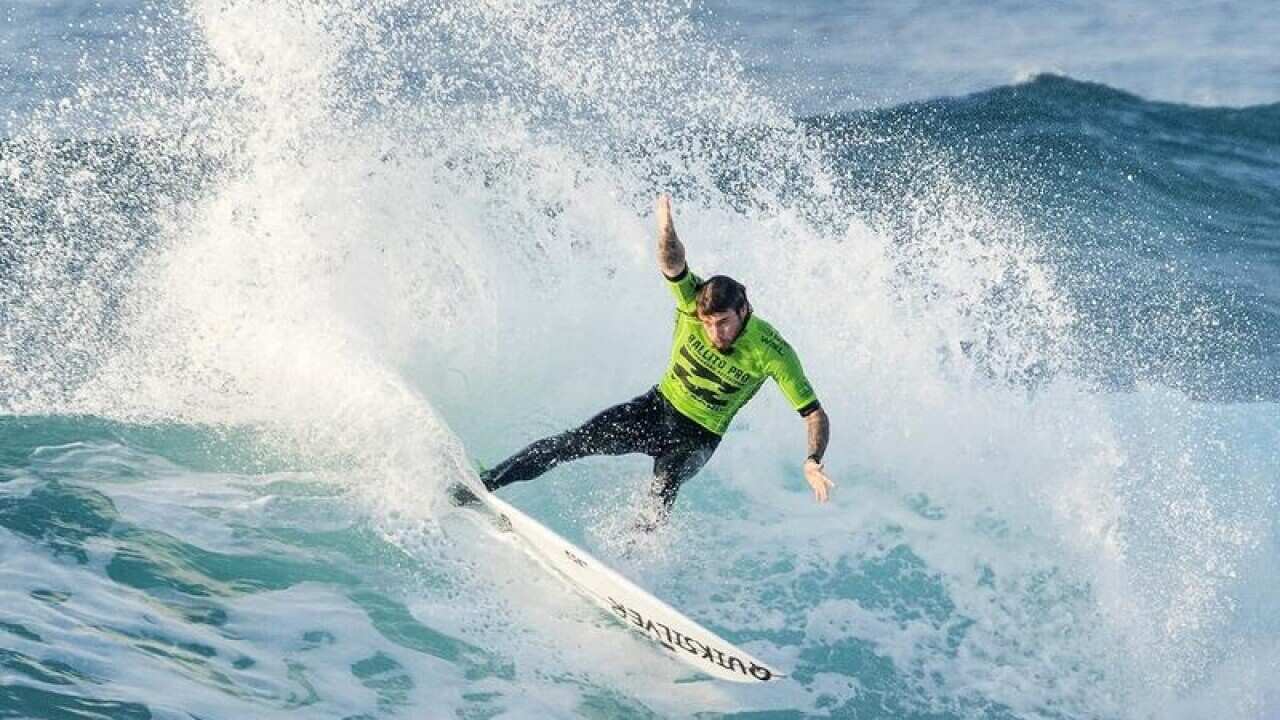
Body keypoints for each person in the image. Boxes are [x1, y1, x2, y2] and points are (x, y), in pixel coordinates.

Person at [452, 194, 834, 529]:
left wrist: (812, 460)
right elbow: (673, 263)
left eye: (724, 323)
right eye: (708, 324)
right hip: (656, 408)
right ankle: (482, 485)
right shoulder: (690, 303)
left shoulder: (773, 351)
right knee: (571, 443)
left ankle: (634, 556)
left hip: (698, 437)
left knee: (664, 483)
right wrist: (665, 228)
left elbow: (813, 414)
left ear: (744, 309)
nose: (715, 333)